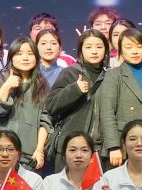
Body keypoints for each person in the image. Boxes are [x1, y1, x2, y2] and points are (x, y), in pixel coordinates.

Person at [92, 30, 142, 168]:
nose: (135, 51)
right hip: (122, 144)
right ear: (120, 50)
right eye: (129, 47)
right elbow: (107, 112)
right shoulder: (113, 75)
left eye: (139, 46)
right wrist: (113, 146)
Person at [44, 30, 109, 172]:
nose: (94, 51)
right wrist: (75, 89)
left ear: (106, 50)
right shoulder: (70, 72)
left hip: (101, 150)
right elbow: (51, 105)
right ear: (81, 50)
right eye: (88, 47)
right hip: (71, 147)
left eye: (99, 47)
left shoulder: (110, 76)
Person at [0, 38, 53, 173]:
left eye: (30, 53)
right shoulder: (0, 79)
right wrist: (7, 86)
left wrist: (39, 150)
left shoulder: (43, 85)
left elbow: (46, 121)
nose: (25, 58)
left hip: (28, 156)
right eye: (19, 53)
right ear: (11, 57)